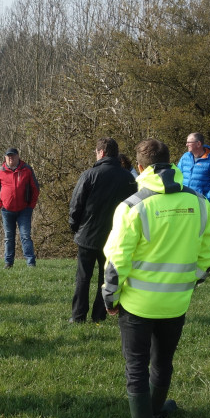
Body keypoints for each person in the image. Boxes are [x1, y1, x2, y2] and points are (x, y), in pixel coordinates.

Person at [102, 138, 210, 418]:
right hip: (177, 300)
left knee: (136, 366)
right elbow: (208, 251)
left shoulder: (132, 207)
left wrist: (110, 298)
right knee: (163, 360)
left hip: (137, 303)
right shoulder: (199, 202)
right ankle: (154, 411)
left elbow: (117, 260)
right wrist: (190, 280)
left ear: (140, 168)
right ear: (174, 163)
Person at [68, 138, 137, 323]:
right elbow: (135, 209)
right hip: (115, 235)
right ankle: (99, 315)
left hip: (88, 234)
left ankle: (78, 315)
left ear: (101, 153)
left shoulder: (89, 175)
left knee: (83, 278)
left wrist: (75, 226)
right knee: (105, 278)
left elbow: (76, 205)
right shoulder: (129, 178)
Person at [0, 147, 40, 267]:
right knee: (8, 238)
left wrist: (30, 206)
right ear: (5, 158)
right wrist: (0, 205)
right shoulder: (0, 171)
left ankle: (30, 262)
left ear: (18, 156)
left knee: (25, 236)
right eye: (9, 156)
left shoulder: (27, 169)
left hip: (24, 210)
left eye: (13, 156)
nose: (11, 158)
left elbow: (35, 189)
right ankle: (8, 262)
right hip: (7, 210)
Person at [178, 132, 210, 202]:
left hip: (200, 202)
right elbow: (177, 175)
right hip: (183, 201)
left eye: (189, 142)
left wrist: (207, 199)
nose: (186, 144)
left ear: (198, 144)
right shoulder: (185, 157)